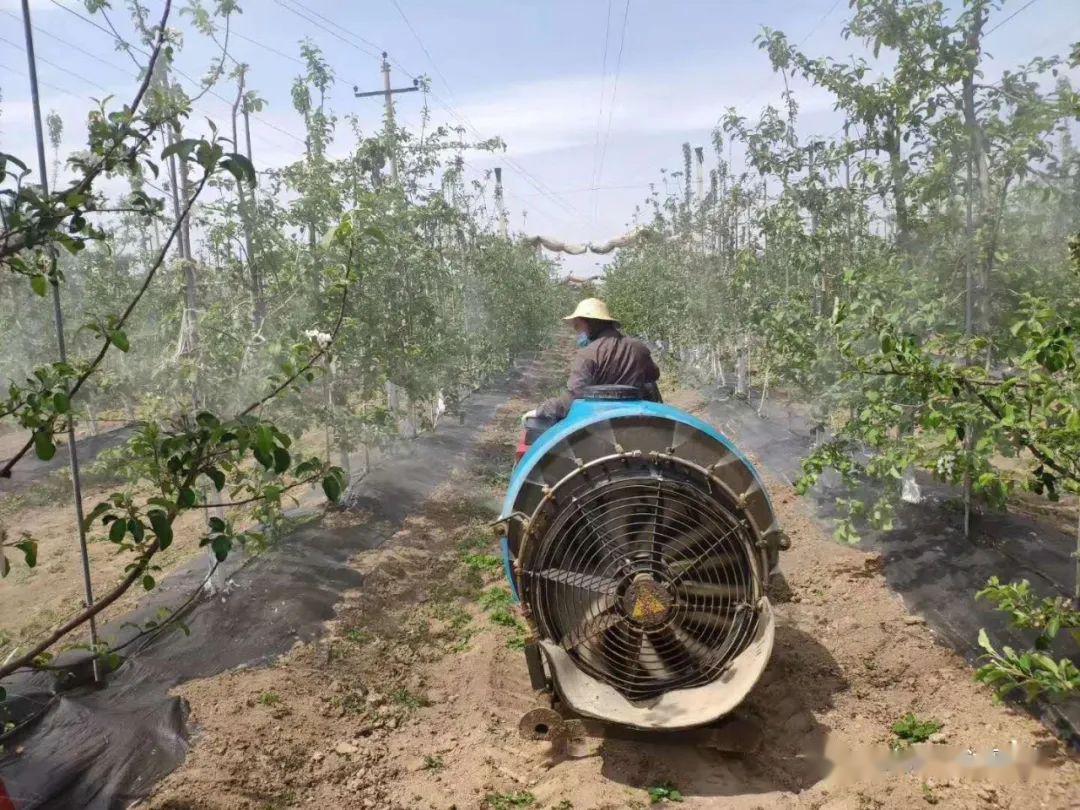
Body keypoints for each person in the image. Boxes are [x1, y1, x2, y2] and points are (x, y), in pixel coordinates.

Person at [530, 298, 661, 421]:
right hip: (635, 417)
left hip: (600, 422)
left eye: (577, 326)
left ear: (587, 323)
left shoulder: (588, 354)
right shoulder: (638, 347)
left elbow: (574, 398)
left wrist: (543, 409)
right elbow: (653, 375)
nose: (578, 331)